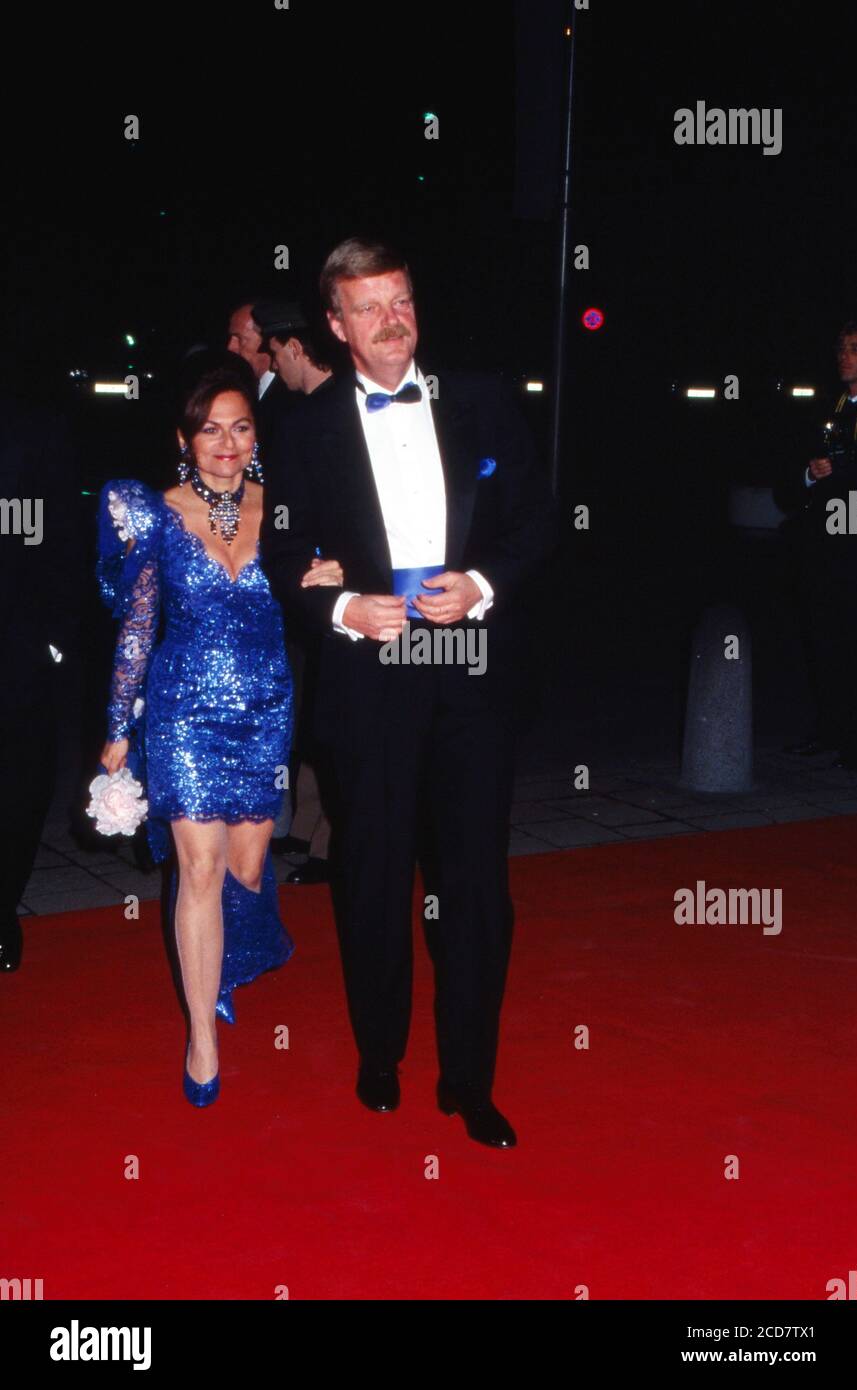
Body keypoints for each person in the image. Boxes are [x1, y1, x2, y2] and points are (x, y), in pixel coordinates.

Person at [261, 238, 557, 1147]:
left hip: (470, 678)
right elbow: (281, 555)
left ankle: (470, 1080)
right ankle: (380, 1054)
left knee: (474, 887)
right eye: (370, 307)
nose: (392, 320)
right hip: (369, 685)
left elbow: (536, 521)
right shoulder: (304, 428)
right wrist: (347, 607)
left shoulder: (481, 401)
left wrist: (485, 586)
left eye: (402, 301)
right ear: (337, 325)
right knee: (373, 877)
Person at [97, 358, 343, 1105]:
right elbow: (140, 625)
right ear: (185, 438)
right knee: (197, 871)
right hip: (181, 713)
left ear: (256, 436)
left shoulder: (289, 512)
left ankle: (233, 964)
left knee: (244, 871)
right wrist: (117, 723)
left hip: (267, 709)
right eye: (211, 429)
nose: (227, 443)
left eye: (240, 427)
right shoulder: (156, 513)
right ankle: (201, 1036)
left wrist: (335, 580)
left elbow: (323, 599)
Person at [254, 299, 336, 883]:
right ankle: (314, 830)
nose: (270, 361)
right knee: (312, 716)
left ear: (296, 347)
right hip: (305, 595)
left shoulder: (334, 412)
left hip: (346, 596)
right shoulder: (302, 411)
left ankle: (335, 846)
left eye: (275, 349)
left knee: (333, 721)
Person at [0, 397, 82, 971]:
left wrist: (53, 639)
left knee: (22, 780)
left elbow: (61, 536)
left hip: (18, 642)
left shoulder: (33, 423)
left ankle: (3, 906)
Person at [783, 320, 857, 766]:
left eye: (855, 348)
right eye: (841, 348)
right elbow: (793, 467)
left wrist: (844, 475)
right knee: (825, 640)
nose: (845, 356)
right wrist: (808, 475)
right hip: (826, 546)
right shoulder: (825, 406)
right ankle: (831, 729)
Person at [227, 300, 293, 452]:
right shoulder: (245, 392)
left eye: (239, 338)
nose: (231, 347)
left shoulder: (289, 397)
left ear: (265, 340)